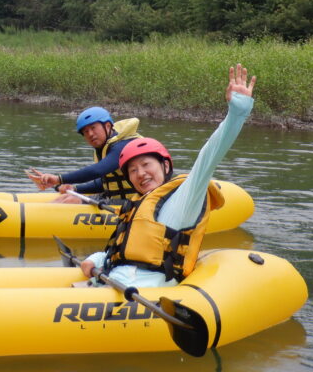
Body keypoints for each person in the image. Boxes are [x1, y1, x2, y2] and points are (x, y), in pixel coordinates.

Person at [78, 63, 256, 288]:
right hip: (113, 283)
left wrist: (237, 113)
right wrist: (96, 259)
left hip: (143, 295)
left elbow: (209, 156)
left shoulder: (182, 201)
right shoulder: (136, 204)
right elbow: (123, 253)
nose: (140, 173)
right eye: (132, 170)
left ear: (164, 165)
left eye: (146, 165)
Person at [26, 106, 142, 203]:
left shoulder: (123, 145)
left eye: (93, 128)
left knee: (71, 201)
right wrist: (74, 188)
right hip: (113, 199)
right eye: (86, 132)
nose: (90, 134)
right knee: (64, 198)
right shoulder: (103, 148)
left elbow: (96, 171)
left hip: (133, 203)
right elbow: (105, 183)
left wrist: (58, 179)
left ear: (107, 126)